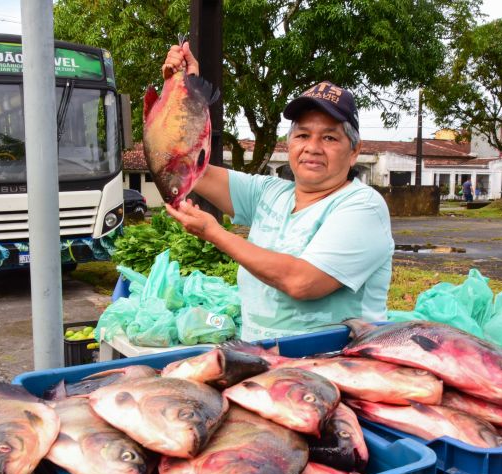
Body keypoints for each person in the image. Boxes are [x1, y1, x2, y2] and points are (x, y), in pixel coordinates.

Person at [162, 43, 394, 341]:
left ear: (354, 151)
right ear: (290, 144)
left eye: (329, 137)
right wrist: (184, 91)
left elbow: (302, 282)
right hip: (262, 359)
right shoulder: (271, 192)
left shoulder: (363, 207)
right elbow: (181, 162)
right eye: (302, 135)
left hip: (333, 366)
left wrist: (215, 233)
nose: (312, 147)